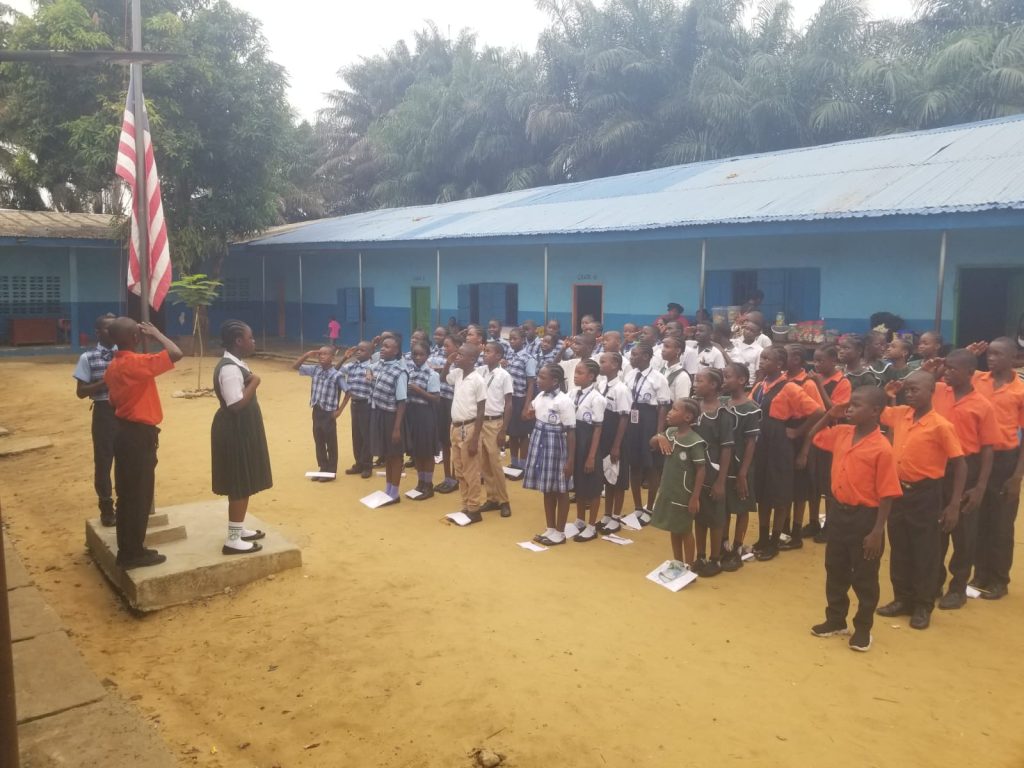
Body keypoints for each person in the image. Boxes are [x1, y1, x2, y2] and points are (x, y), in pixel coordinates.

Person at [806, 387, 902, 652]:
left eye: (856, 405)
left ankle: (863, 628)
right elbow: (814, 435)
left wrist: (877, 531)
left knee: (864, 575)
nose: (849, 408)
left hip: (865, 518)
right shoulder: (842, 433)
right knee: (835, 568)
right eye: (849, 405)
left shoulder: (882, 448)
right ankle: (835, 619)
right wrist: (831, 413)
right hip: (838, 513)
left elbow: (887, 494)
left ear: (875, 412)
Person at [876, 372, 965, 630]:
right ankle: (902, 598)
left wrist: (954, 503)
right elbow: (877, 410)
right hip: (898, 491)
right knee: (900, 545)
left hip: (926, 492)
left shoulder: (940, 425)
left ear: (931, 392)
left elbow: (960, 465)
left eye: (916, 390)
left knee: (925, 550)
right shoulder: (901, 413)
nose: (910, 394)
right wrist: (887, 392)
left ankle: (923, 605)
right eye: (908, 390)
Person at [104, 317, 183, 569]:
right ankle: (132, 554)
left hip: (124, 432)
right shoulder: (135, 364)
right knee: (138, 495)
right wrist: (157, 334)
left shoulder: (112, 367)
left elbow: (112, 403)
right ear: (137, 338)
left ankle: (130, 548)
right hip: (138, 435)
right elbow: (175, 353)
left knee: (127, 495)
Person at [929, 350, 998, 609]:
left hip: (967, 469)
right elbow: (909, 386)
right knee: (936, 531)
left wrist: (980, 487)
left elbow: (988, 448)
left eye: (953, 369)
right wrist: (932, 369)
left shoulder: (983, 405)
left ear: (970, 373)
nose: (947, 372)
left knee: (963, 534)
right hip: (937, 467)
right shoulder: (937, 391)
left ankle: (957, 587)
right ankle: (933, 581)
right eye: (945, 367)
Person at [752, 347, 825, 561]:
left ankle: (775, 540)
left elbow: (818, 412)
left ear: (780, 364)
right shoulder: (759, 386)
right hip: (761, 442)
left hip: (779, 443)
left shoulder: (789, 387)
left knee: (780, 492)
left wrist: (798, 431)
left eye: (767, 358)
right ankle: (763, 536)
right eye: (761, 358)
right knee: (763, 492)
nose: (762, 362)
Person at [969, 337, 1024, 600]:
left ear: (1014, 358)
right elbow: (945, 373)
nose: (991, 358)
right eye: (989, 354)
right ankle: (980, 574)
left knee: (1001, 523)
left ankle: (999, 579)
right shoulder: (977, 379)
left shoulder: (1020, 390)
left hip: (1005, 460)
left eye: (998, 354)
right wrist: (967, 353)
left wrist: (1017, 475)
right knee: (978, 518)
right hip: (978, 458)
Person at [211, 320, 271, 555]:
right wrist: (255, 383)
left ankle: (239, 528)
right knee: (238, 481)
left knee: (243, 480)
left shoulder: (237, 364)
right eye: (250, 337)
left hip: (242, 429)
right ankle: (233, 540)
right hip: (233, 430)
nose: (253, 341)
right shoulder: (229, 369)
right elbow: (235, 405)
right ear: (238, 341)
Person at [650, 398, 706, 579]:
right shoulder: (670, 432)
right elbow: (651, 444)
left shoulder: (695, 441)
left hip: (685, 494)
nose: (669, 412)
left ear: (687, 417)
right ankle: (678, 562)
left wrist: (695, 497)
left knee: (685, 530)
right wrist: (659, 437)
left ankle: (689, 567)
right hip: (669, 490)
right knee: (674, 528)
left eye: (674, 409)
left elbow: (700, 470)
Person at [803, 344, 853, 542]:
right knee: (812, 484)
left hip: (831, 439)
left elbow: (836, 409)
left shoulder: (842, 382)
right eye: (814, 360)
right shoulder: (813, 379)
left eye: (821, 360)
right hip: (812, 436)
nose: (817, 364)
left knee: (828, 485)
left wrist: (819, 386)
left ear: (834, 361)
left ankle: (830, 526)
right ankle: (813, 521)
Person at [73, 313, 118, 527]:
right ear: (98, 332)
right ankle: (106, 507)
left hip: (125, 411)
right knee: (103, 461)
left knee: (127, 459)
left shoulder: (124, 355)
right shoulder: (88, 358)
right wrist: (104, 382)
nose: (114, 332)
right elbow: (81, 392)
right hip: (103, 412)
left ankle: (126, 504)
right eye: (109, 329)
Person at [524, 364, 576, 546]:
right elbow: (530, 414)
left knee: (560, 490)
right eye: (538, 376)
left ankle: (560, 532)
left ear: (555, 381)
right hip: (540, 442)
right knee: (547, 488)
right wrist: (531, 413)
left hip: (556, 445)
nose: (538, 380)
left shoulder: (564, 401)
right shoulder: (540, 396)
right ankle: (551, 528)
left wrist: (570, 460)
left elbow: (570, 432)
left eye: (542, 378)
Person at [690, 369, 735, 577]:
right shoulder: (692, 408)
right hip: (693, 470)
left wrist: (720, 481)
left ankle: (715, 558)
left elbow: (726, 448)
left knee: (716, 517)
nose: (695, 383)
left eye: (700, 381)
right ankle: (700, 555)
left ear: (714, 386)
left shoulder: (723, 413)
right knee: (698, 515)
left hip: (713, 470)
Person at [623, 342, 672, 525]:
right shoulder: (630, 374)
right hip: (632, 420)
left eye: (634, 354)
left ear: (645, 356)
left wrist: (659, 433)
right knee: (634, 465)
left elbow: (663, 406)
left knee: (651, 466)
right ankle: (637, 507)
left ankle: (650, 507)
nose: (631, 357)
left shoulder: (658, 378)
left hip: (649, 420)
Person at [721, 362, 760, 570]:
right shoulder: (721, 403)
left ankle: (737, 547)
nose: (724, 380)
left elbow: (750, 442)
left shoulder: (751, 409)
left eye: (728, 377)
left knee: (742, 506)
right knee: (725, 506)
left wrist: (743, 473)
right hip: (722, 465)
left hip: (741, 465)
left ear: (742, 380)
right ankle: (724, 544)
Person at [784, 344, 824, 550]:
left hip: (801, 438)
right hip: (784, 438)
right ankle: (784, 529)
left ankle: (796, 531)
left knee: (800, 489)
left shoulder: (807, 384)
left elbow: (818, 415)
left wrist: (804, 448)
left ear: (797, 359)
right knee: (785, 487)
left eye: (786, 355)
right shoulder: (782, 380)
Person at [446, 343, 487, 523]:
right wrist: (447, 363)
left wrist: (475, 438)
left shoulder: (478, 380)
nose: (457, 356)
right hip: (455, 427)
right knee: (460, 470)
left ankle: (474, 508)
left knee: (471, 470)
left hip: (469, 429)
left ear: (472, 359)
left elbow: (481, 410)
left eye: (461, 355)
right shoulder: (457, 374)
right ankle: (465, 505)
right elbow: (443, 378)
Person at [293, 346, 345, 481]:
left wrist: (339, 410)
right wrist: (308, 354)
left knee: (331, 442)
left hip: (329, 413)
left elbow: (348, 391)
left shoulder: (337, 375)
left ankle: (331, 472)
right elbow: (295, 366)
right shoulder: (315, 370)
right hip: (317, 411)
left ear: (332, 357)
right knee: (319, 440)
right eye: (320, 354)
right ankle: (323, 467)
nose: (322, 356)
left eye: (326, 354)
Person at [368, 336, 409, 505]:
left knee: (396, 455)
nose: (382, 349)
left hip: (393, 418)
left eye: (387, 347)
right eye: (382, 346)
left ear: (396, 351)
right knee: (387, 454)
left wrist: (397, 428)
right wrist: (369, 373)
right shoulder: (381, 365)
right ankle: (388, 488)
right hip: (380, 415)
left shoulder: (399, 373)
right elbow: (368, 366)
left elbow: (401, 402)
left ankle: (395, 492)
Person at [569, 359, 605, 541]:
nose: (575, 375)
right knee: (580, 484)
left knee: (593, 486)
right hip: (576, 440)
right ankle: (580, 520)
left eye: (580, 373)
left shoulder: (597, 398)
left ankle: (592, 525)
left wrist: (591, 456)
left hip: (589, 442)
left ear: (591, 377)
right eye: (575, 372)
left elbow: (598, 428)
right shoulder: (573, 393)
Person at [596, 352, 632, 533]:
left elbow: (624, 418)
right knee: (607, 478)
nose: (600, 365)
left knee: (617, 479)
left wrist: (616, 445)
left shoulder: (621, 389)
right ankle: (607, 513)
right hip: (604, 437)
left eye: (603, 362)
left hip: (617, 438)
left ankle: (616, 517)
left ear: (616, 365)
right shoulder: (601, 384)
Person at [478, 341, 514, 518]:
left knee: (495, 463)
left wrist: (503, 430)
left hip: (495, 423)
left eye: (488, 351)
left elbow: (508, 404)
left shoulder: (504, 375)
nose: (485, 354)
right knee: (484, 462)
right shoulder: (481, 371)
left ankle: (504, 500)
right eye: (484, 351)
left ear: (499, 356)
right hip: (480, 422)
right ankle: (491, 498)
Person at [405, 341, 441, 499]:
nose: (417, 357)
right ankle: (420, 482)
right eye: (415, 354)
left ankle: (428, 485)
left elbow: (436, 399)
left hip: (426, 414)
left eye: (421, 354)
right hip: (412, 413)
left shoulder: (432, 374)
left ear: (428, 356)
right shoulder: (409, 372)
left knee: (426, 452)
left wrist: (419, 391)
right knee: (417, 451)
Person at [337, 341, 374, 478]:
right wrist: (345, 357)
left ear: (370, 354)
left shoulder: (372, 367)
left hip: (367, 405)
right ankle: (358, 463)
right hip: (354, 404)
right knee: (356, 435)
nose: (358, 352)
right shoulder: (351, 366)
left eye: (363, 350)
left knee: (366, 436)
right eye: (358, 349)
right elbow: (335, 371)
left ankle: (367, 466)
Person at [505, 328, 537, 477]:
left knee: (523, 434)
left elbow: (531, 383)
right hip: (509, 398)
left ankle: (523, 466)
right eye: (510, 339)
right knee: (511, 433)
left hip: (521, 398)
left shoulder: (528, 358)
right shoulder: (509, 355)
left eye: (515, 339)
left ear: (523, 340)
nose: (512, 342)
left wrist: (527, 405)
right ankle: (514, 463)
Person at [431, 334, 460, 494]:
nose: (444, 348)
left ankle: (456, 477)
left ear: (457, 347)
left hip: (456, 406)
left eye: (448, 346)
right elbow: (442, 379)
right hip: (443, 403)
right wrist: (448, 363)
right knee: (445, 442)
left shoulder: (466, 363)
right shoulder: (444, 362)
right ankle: (448, 477)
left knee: (455, 442)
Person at [658, 336, 692, 400]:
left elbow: (681, 403)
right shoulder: (662, 369)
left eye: (667, 347)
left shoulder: (682, 376)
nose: (663, 350)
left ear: (678, 350)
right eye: (663, 346)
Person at [730, 320, 763, 386]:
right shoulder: (735, 343)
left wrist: (752, 390)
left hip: (747, 385)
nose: (748, 332)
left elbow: (760, 375)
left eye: (752, 331)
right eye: (747, 329)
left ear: (758, 334)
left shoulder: (759, 350)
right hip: (732, 384)